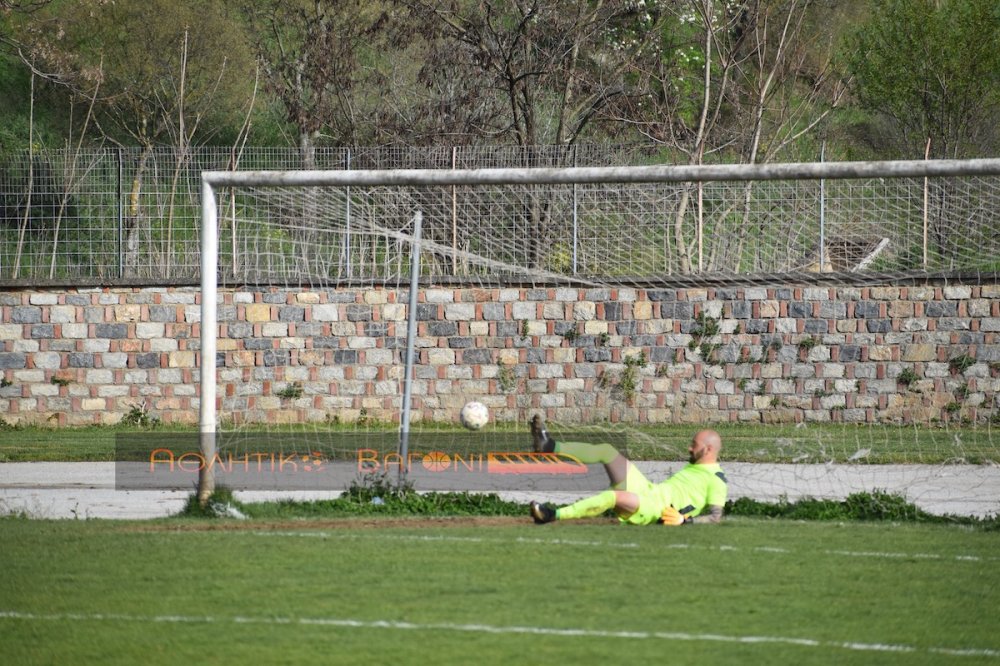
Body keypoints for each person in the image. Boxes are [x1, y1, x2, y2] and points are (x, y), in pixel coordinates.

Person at [528, 415, 727, 526]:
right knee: (607, 451)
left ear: (708, 450)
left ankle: (552, 515)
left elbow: (715, 517)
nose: (689, 448)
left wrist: (685, 521)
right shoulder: (695, 465)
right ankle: (549, 446)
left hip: (657, 509)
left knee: (613, 497)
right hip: (650, 490)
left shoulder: (716, 479)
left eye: (694, 445)